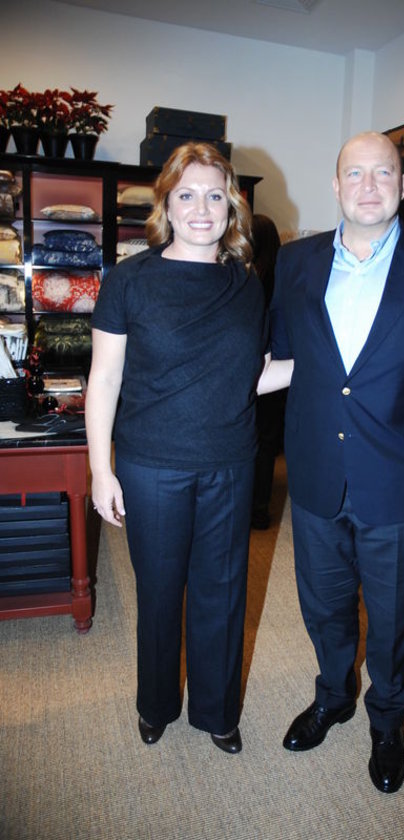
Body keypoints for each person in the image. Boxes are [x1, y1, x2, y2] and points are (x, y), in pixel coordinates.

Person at [267, 131, 404, 793]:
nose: (369, 186)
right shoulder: (295, 262)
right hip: (314, 475)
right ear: (335, 186)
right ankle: (334, 696)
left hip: (402, 481)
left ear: (403, 185)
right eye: (355, 174)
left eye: (382, 173)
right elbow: (283, 358)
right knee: (324, 606)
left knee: (394, 618)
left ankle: (387, 720)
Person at [85, 142, 266, 754]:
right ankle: (156, 704)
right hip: (152, 465)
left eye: (214, 195)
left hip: (230, 463)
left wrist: (328, 366)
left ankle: (217, 711)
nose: (201, 208)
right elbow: (104, 379)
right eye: (186, 195)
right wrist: (100, 470)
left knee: (223, 593)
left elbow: (250, 373)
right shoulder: (130, 279)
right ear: (165, 204)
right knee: (160, 594)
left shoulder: (245, 283)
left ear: (231, 206)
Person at [250, 213, 287, 529]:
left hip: (256, 363)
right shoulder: (284, 274)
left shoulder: (250, 279)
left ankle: (250, 504)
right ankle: (260, 508)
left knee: (254, 439)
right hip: (281, 366)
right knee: (266, 440)